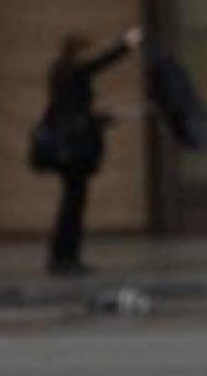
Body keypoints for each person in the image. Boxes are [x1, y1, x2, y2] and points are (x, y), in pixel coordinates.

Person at [44, 26, 143, 276]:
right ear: (79, 52)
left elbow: (73, 111)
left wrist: (100, 117)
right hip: (76, 150)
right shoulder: (74, 72)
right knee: (73, 204)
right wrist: (126, 44)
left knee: (70, 203)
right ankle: (67, 258)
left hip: (66, 149)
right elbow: (100, 64)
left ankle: (62, 256)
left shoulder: (61, 73)